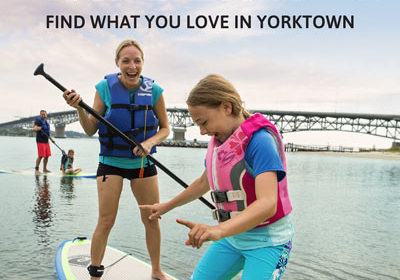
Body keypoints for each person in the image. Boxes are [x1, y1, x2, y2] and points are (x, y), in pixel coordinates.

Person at [140, 74, 294, 280]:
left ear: (226, 107)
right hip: (232, 238)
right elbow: (204, 182)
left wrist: (218, 230)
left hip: (269, 242)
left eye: (204, 122)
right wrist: (168, 206)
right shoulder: (219, 142)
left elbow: (268, 203)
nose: (203, 132)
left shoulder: (260, 141)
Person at [62, 39, 171, 280]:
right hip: (111, 162)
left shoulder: (154, 91)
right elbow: (90, 129)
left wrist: (149, 143)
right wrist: (80, 108)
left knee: (151, 219)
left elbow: (165, 129)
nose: (132, 66)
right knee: (106, 220)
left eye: (137, 61)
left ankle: (156, 270)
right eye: (126, 61)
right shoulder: (104, 88)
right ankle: (95, 274)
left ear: (143, 63)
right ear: (117, 63)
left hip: (144, 165)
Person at [33, 109, 55, 174]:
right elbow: (34, 128)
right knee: (41, 156)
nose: (43, 115)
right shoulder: (38, 121)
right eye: (42, 114)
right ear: (40, 115)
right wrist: (37, 128)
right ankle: (36, 169)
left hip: (46, 141)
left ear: (46, 115)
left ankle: (45, 169)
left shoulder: (46, 122)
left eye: (44, 114)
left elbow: (47, 133)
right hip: (40, 141)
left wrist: (52, 140)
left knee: (47, 156)